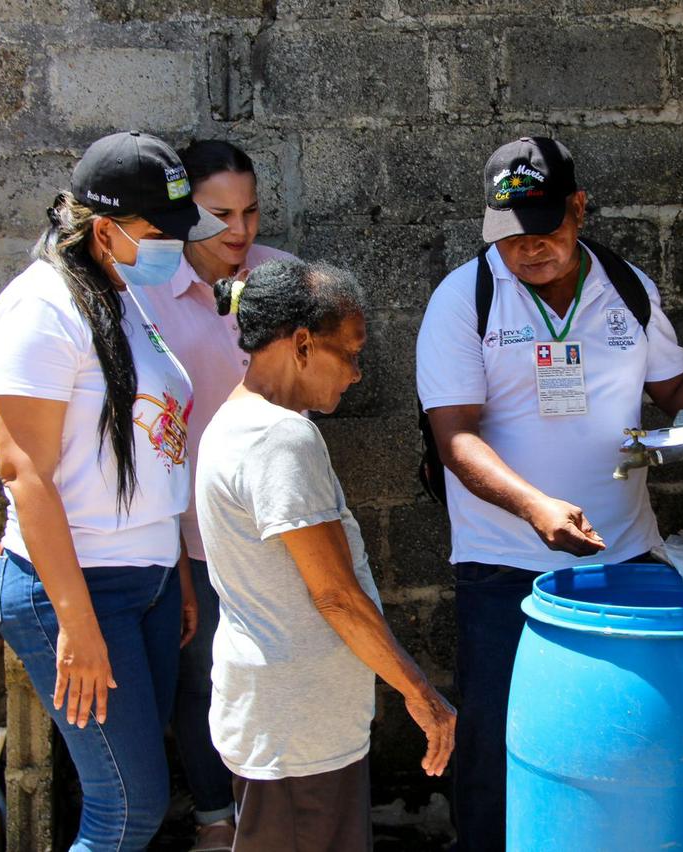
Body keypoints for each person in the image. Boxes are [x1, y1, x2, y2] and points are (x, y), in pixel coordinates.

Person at [415, 136, 683, 851]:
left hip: (626, 555)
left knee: (624, 741)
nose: (530, 250)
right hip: (505, 563)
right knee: (497, 746)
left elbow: (670, 386)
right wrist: (535, 507)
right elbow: (455, 437)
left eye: (546, 230)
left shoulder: (627, 287)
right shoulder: (465, 300)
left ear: (579, 208)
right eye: (513, 237)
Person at [0, 131, 225, 851]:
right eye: (160, 234)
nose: (174, 249)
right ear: (105, 228)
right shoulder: (42, 308)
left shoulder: (121, 294)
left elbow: (155, 449)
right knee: (127, 811)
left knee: (134, 799)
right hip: (79, 588)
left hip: (142, 582)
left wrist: (172, 570)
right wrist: (77, 626)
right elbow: (26, 473)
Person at [195, 260, 457, 851]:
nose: (358, 374)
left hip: (289, 723)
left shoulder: (241, 423)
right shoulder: (278, 438)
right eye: (352, 353)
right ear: (304, 344)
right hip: (296, 734)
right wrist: (421, 693)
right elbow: (335, 595)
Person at [133, 138, 295, 852]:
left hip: (277, 524)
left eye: (252, 212)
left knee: (277, 677)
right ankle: (213, 820)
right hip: (191, 530)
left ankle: (273, 822)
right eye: (219, 214)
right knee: (201, 684)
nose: (240, 231)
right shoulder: (143, 294)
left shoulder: (285, 279)